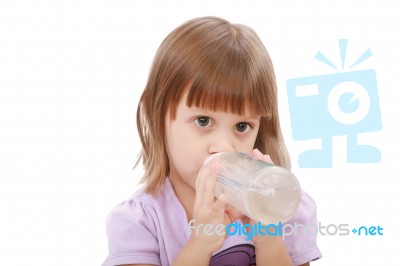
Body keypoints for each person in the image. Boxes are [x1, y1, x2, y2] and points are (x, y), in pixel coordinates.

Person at [102, 16, 322, 266]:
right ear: (156, 114)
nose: (224, 147)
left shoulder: (282, 207)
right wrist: (201, 243)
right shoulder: (139, 222)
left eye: (242, 126)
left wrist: (268, 239)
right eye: (203, 121)